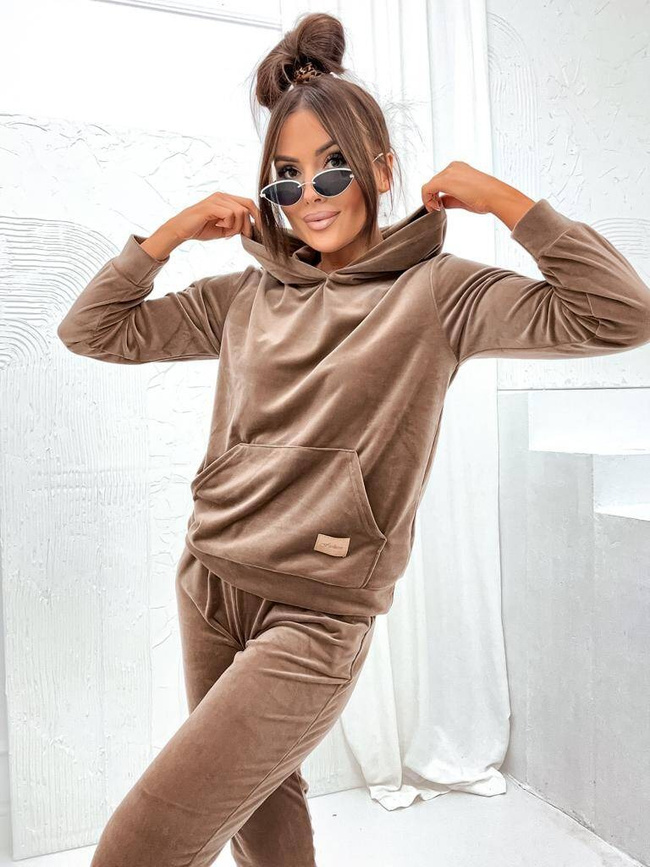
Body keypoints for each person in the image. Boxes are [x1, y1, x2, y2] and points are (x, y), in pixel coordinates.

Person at [56, 11, 650, 867]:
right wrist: (170, 235)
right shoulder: (244, 297)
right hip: (209, 582)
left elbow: (620, 313)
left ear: (381, 168)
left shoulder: (439, 294)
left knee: (136, 847)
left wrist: (506, 203)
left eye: (334, 166)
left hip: (316, 613)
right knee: (264, 807)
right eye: (286, 178)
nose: (312, 194)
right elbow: (93, 330)